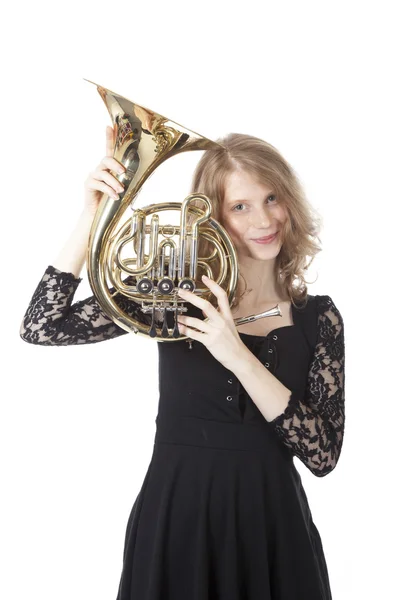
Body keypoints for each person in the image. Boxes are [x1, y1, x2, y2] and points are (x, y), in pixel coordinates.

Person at [19, 125, 345, 600]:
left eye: (272, 198)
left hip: (274, 527)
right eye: (240, 206)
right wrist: (92, 217)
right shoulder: (175, 298)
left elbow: (323, 455)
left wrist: (237, 356)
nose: (263, 219)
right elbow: (41, 326)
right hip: (178, 519)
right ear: (209, 217)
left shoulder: (320, 318)